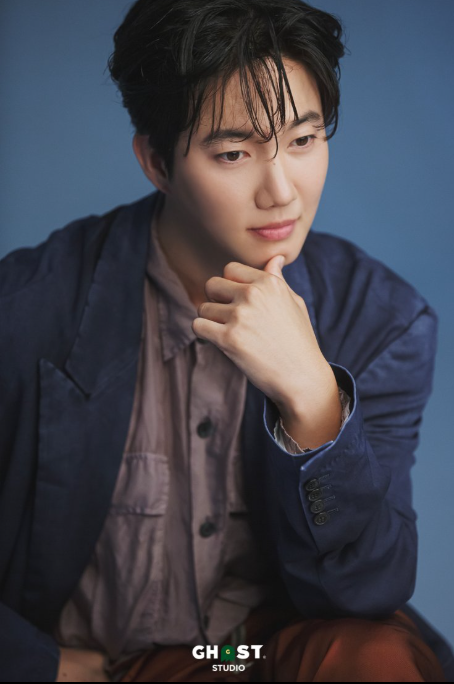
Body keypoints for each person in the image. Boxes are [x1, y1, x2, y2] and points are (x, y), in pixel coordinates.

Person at [0, 0, 453, 681]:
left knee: (376, 659)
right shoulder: (26, 309)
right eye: (235, 153)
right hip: (110, 669)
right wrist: (35, 665)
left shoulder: (382, 320)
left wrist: (315, 401)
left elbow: (367, 589)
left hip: (242, 656)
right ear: (156, 162)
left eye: (304, 141)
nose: (282, 192)